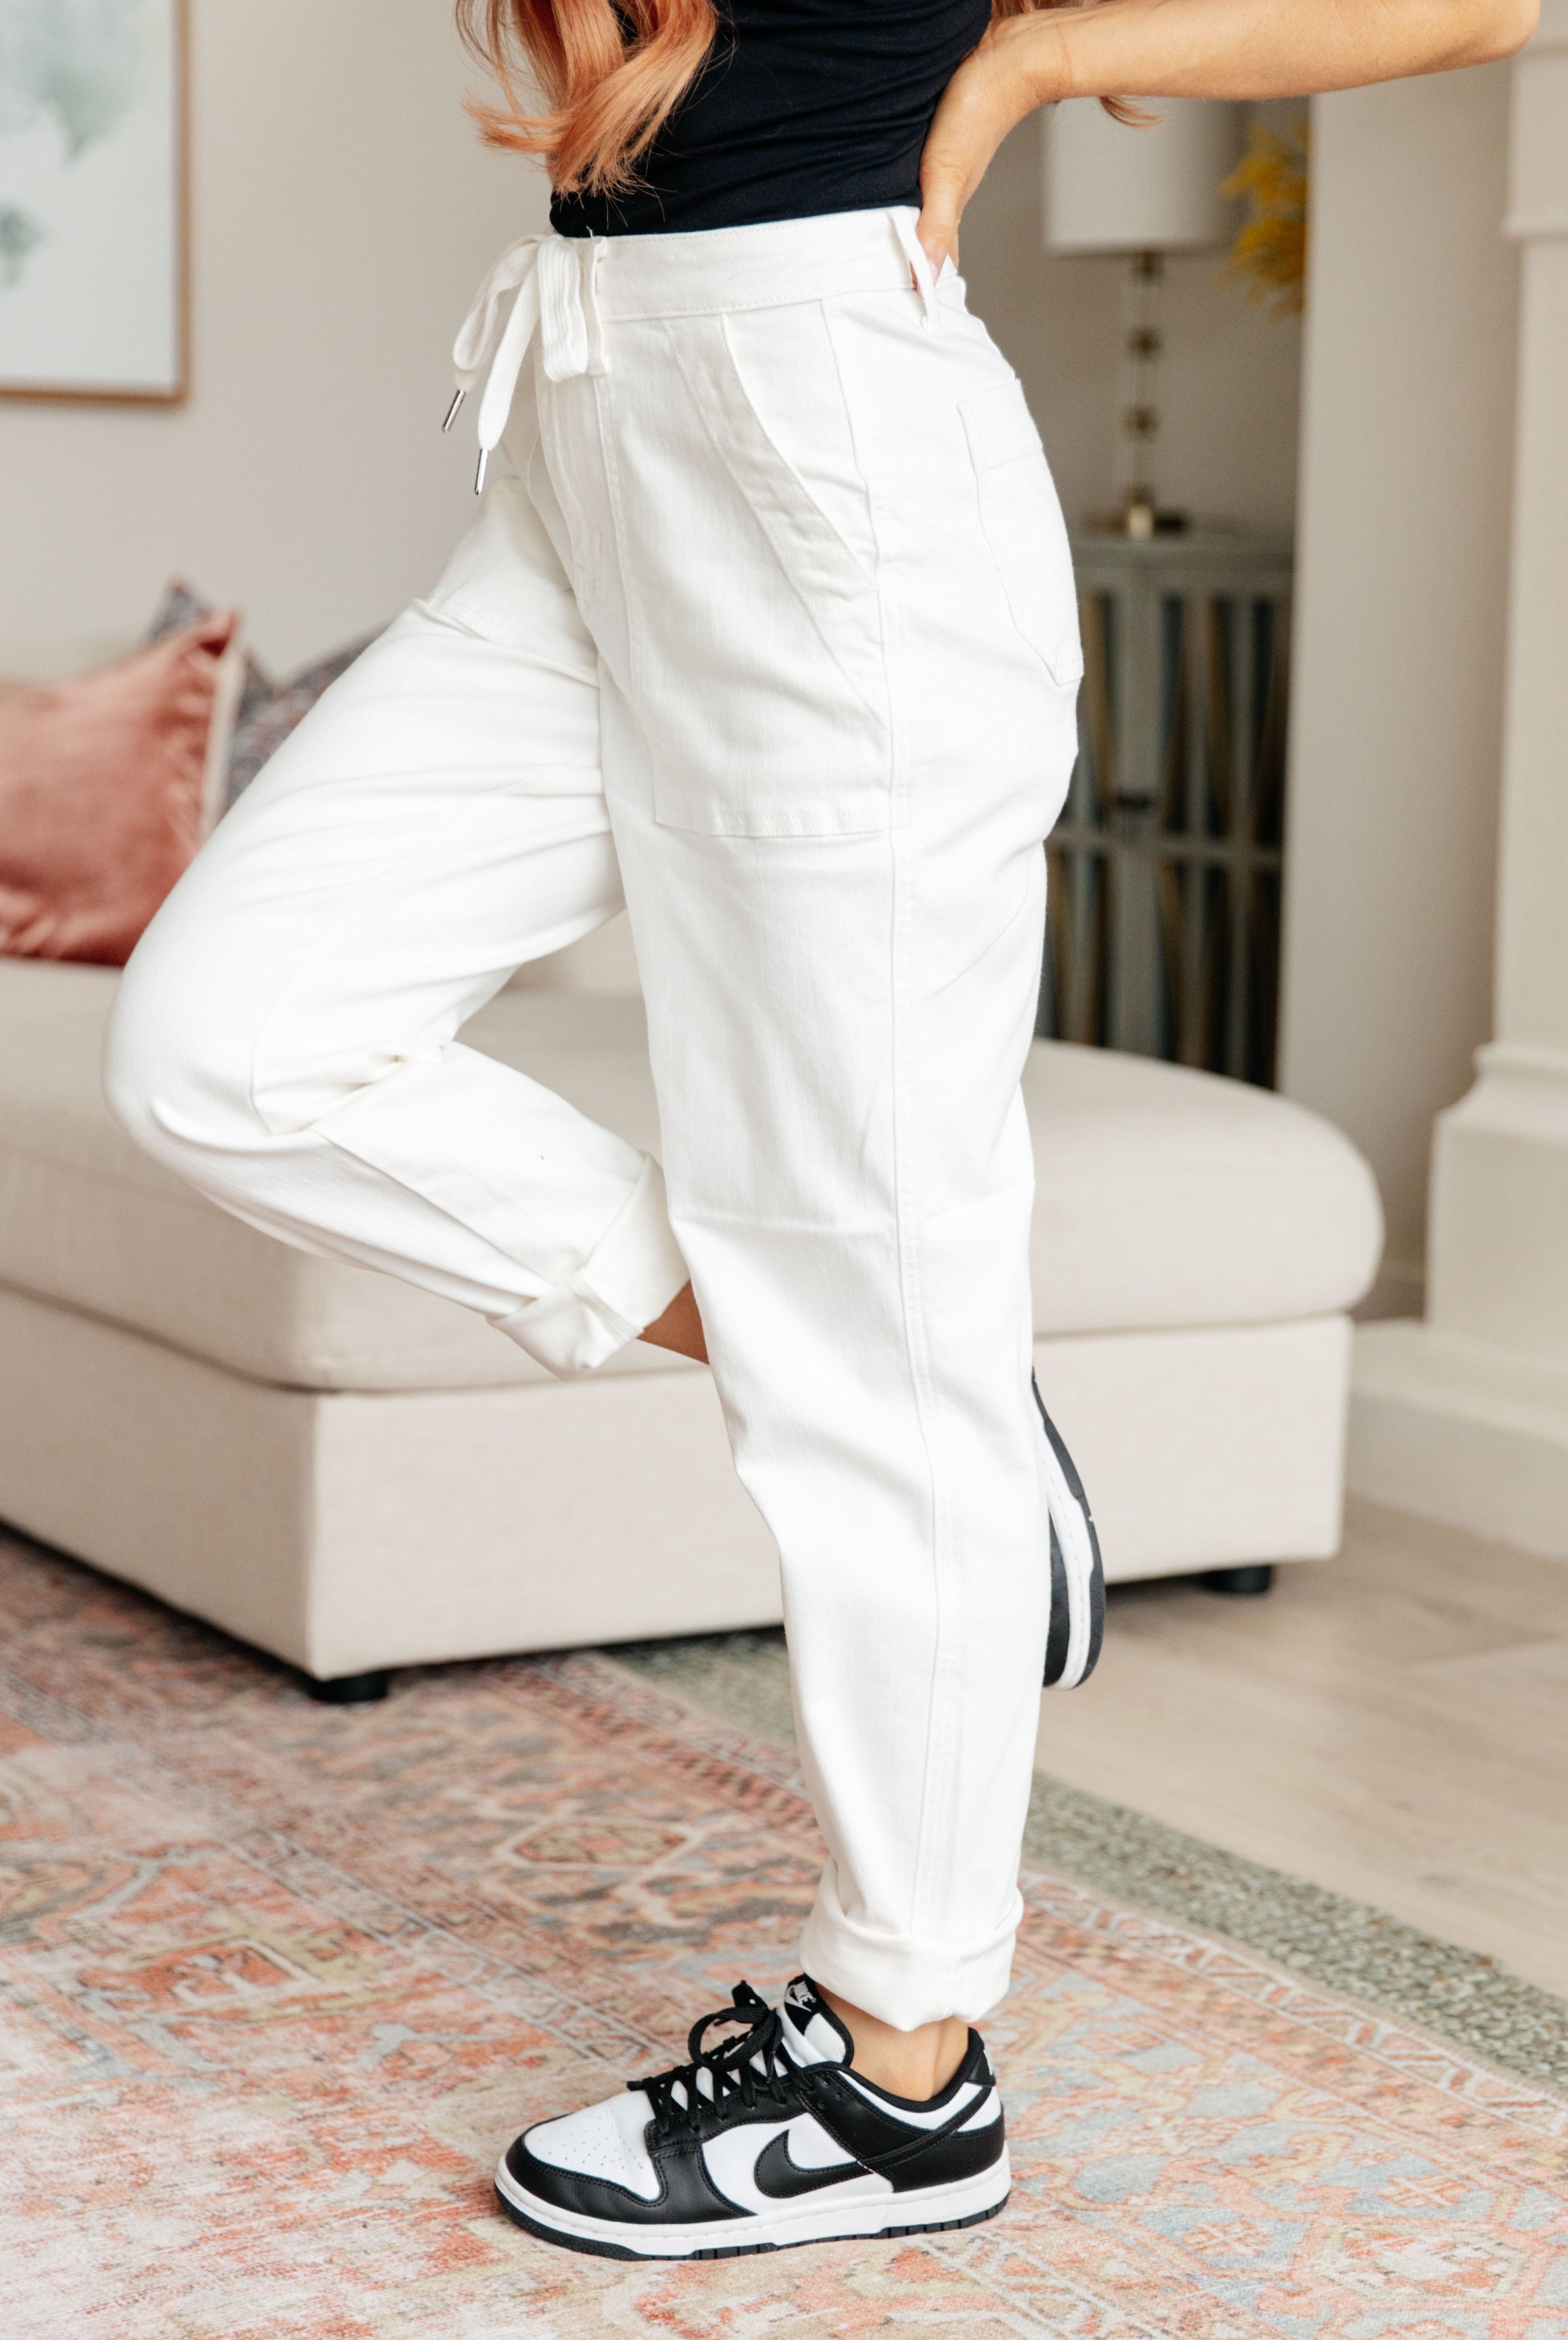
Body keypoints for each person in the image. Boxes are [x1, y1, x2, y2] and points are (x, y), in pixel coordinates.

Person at [105, 0, 1535, 2264]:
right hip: (584, 447)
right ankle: (909, 1384)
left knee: (868, 1309)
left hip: (830, 477)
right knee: (227, 1041)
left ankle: (903, 2076)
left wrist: (1025, 70)